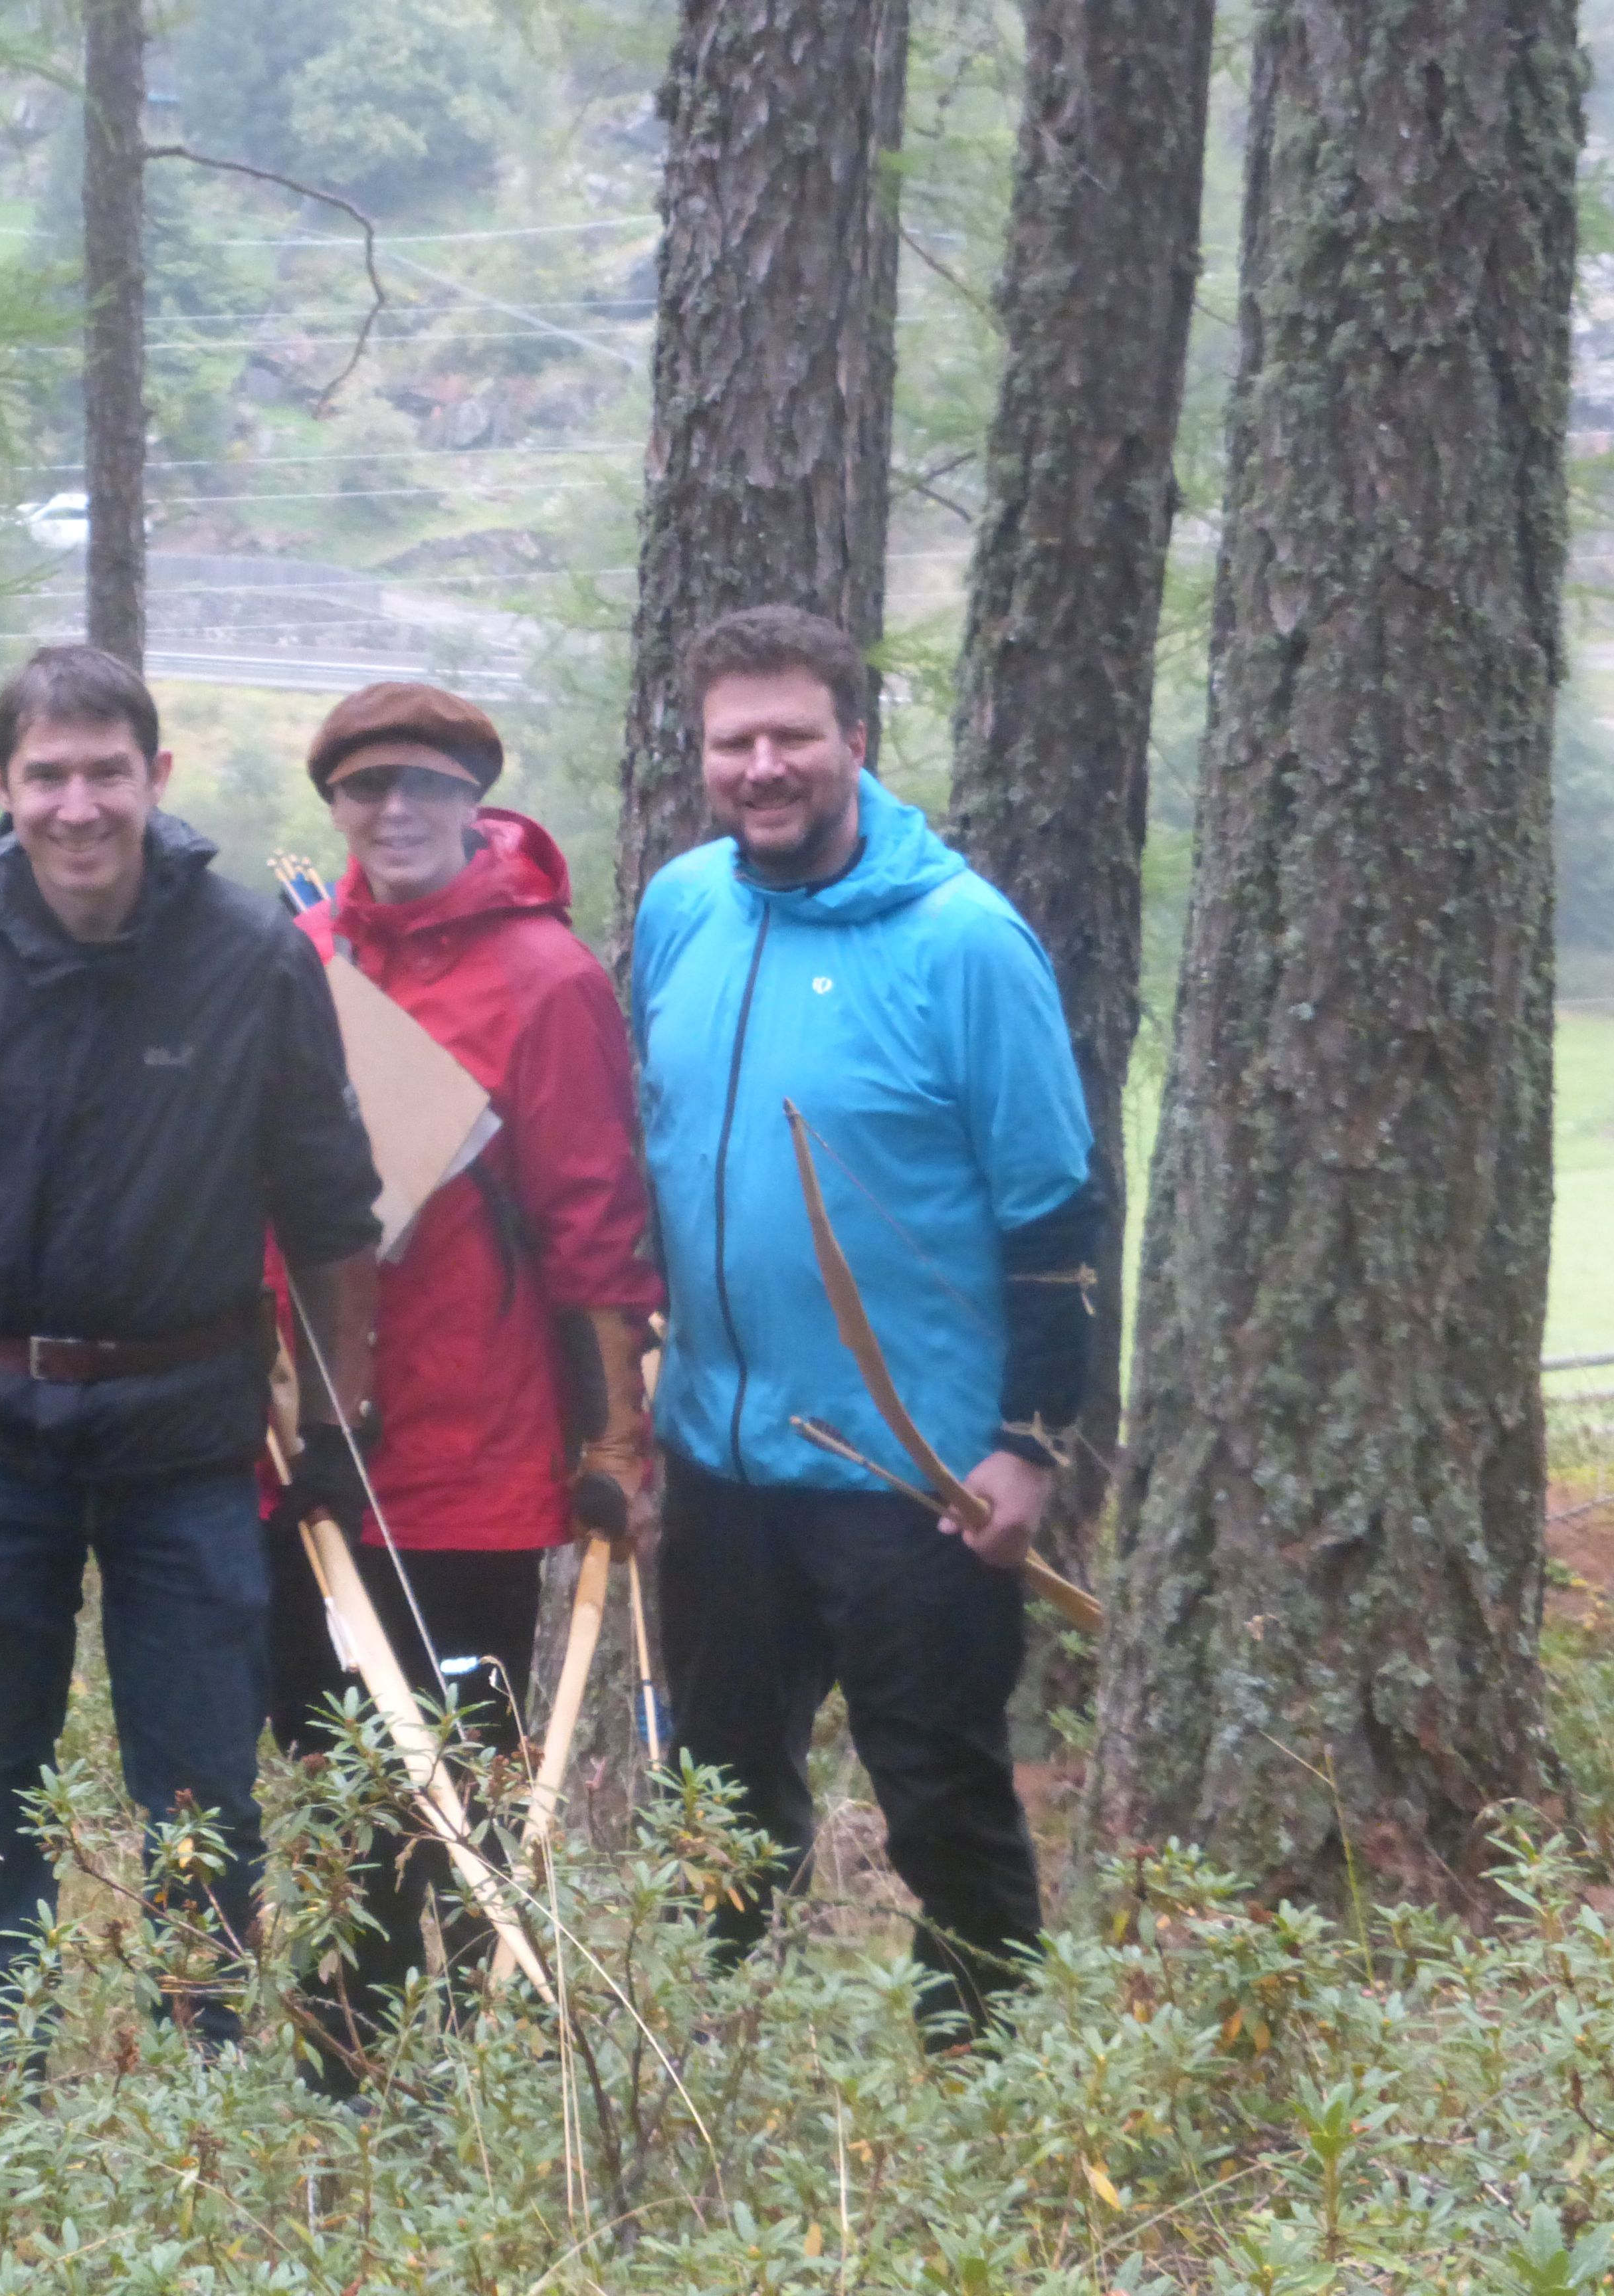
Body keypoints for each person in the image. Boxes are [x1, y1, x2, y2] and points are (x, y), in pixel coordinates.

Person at [0, 644, 384, 2048]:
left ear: (159, 778)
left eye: (107, 772)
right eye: (49, 775)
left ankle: (201, 2085)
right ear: (1, 786)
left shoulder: (255, 962)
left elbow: (331, 1211)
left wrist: (328, 1422)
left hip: (185, 1439)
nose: (80, 806)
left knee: (198, 1779)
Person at [629, 604, 1098, 2038]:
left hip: (918, 1480)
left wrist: (1026, 1450)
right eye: (734, 742)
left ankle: (989, 2094)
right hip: (718, 1456)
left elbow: (1057, 1218)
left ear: (856, 742)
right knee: (717, 1801)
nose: (763, 767)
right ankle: (718, 2097)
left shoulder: (964, 944)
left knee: (942, 1801)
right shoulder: (683, 908)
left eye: (793, 737)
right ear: (702, 754)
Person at [260, 682, 663, 2082]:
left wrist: (616, 1437)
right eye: (366, 791)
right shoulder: (302, 954)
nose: (393, 813)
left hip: (473, 1470)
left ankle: (468, 2077)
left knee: (458, 1798)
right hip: (310, 1460)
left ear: (474, 800)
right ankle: (339, 2080)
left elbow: (597, 1224)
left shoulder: (551, 981)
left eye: (425, 786)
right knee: (326, 1784)